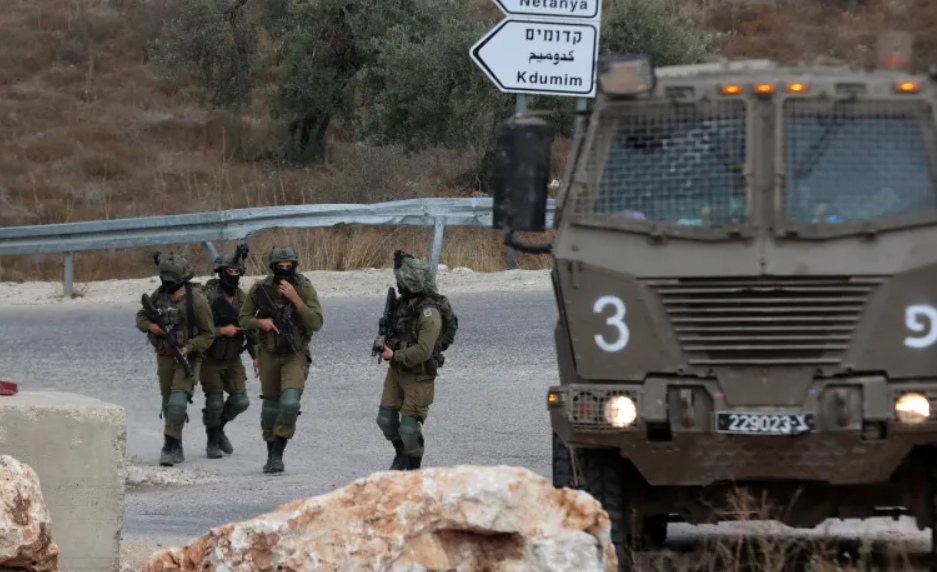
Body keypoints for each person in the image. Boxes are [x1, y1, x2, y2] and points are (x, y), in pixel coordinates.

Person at [238, 245, 324, 474]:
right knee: (270, 408)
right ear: (273, 266)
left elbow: (316, 322)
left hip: (295, 354)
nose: (285, 269)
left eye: (289, 265)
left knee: (290, 404)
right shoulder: (260, 288)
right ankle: (271, 455)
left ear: (294, 266)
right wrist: (260, 323)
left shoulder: (304, 287)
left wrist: (296, 300)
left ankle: (278, 452)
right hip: (268, 353)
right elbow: (243, 318)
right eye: (280, 266)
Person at [375, 250, 457, 471]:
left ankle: (414, 468)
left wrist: (395, 355)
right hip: (397, 370)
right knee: (385, 420)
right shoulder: (402, 304)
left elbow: (423, 351)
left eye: (402, 280)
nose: (399, 283)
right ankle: (401, 453)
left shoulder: (430, 313)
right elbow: (394, 331)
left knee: (409, 430)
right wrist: (383, 341)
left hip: (419, 374)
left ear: (410, 282)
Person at [135, 253, 215, 467]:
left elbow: (208, 335)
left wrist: (189, 348)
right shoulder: (160, 295)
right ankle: (175, 443)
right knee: (168, 402)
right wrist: (153, 327)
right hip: (165, 356)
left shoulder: (197, 300)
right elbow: (141, 317)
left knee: (178, 403)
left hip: (188, 358)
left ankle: (169, 447)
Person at [199, 246, 258, 459]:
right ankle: (212, 441)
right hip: (209, 357)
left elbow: (250, 329)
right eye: (230, 271)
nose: (234, 275)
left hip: (233, 357)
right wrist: (222, 331)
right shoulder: (206, 297)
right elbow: (195, 330)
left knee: (241, 402)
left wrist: (256, 356)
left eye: (237, 272)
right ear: (221, 272)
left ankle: (218, 428)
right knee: (214, 403)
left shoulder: (243, 299)